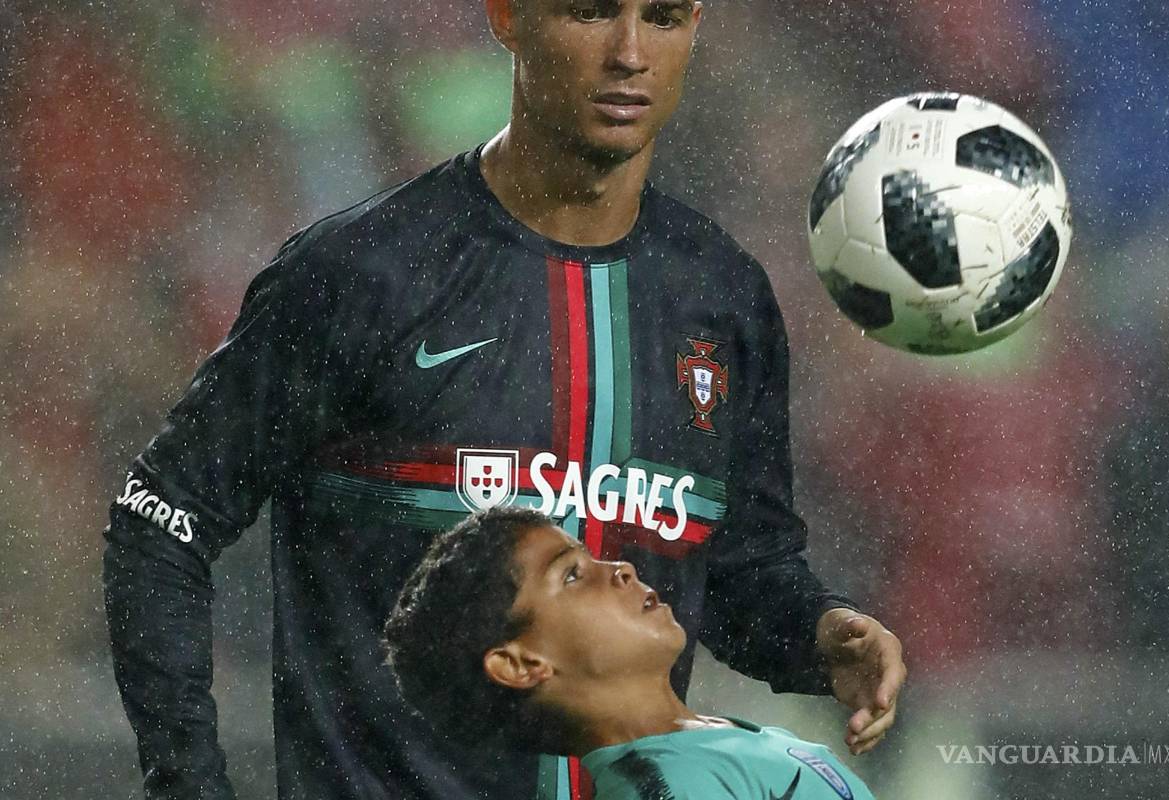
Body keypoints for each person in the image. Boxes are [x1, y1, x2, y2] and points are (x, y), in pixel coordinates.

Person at [102, 0, 906, 798]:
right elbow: (161, 521)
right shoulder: (363, 273)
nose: (629, 52)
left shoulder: (722, 296)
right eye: (591, 13)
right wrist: (189, 785)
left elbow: (737, 572)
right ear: (507, 17)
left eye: (661, 17)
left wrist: (820, 634)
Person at [383, 506, 878, 800]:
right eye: (572, 575)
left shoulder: (712, 745)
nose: (618, 567)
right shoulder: (668, 787)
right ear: (521, 663)